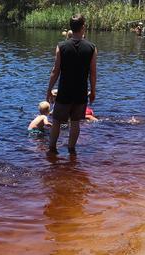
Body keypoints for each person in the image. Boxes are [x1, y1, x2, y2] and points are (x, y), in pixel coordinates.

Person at [46, 14, 97, 154]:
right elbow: (93, 73)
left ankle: (51, 150)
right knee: (75, 122)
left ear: (71, 28)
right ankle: (71, 150)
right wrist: (93, 91)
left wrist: (49, 90)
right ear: (83, 27)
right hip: (80, 91)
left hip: (65, 91)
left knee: (56, 121)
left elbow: (55, 71)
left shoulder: (61, 46)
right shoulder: (92, 48)